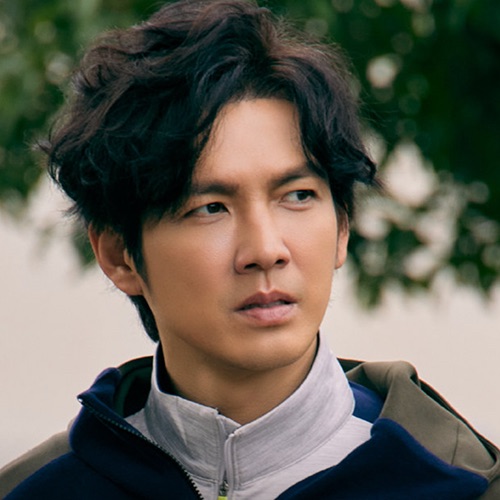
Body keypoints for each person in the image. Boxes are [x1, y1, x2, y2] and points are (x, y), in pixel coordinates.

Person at [1, 0, 499, 498]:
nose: (265, 250)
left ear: (342, 227)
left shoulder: (457, 485)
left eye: (297, 196)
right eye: (210, 207)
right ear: (118, 255)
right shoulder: (37, 491)